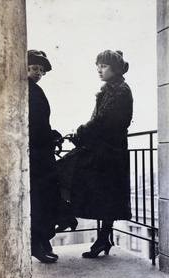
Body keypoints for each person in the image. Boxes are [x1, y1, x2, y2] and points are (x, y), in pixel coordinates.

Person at [57, 49, 133, 258]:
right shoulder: (109, 89)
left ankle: (75, 221)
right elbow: (99, 122)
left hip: (109, 153)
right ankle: (101, 238)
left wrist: (81, 132)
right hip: (105, 151)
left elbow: (104, 122)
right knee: (104, 194)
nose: (99, 70)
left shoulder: (121, 91)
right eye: (97, 66)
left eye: (104, 66)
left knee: (67, 172)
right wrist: (82, 133)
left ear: (115, 68)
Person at [28, 50, 77, 263]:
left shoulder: (33, 89)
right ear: (24, 67)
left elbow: (40, 123)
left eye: (41, 70)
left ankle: (42, 240)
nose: (38, 73)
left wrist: (52, 134)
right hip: (35, 154)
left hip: (40, 151)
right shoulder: (27, 90)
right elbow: (33, 125)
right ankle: (37, 242)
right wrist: (49, 137)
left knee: (45, 195)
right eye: (34, 68)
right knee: (40, 197)